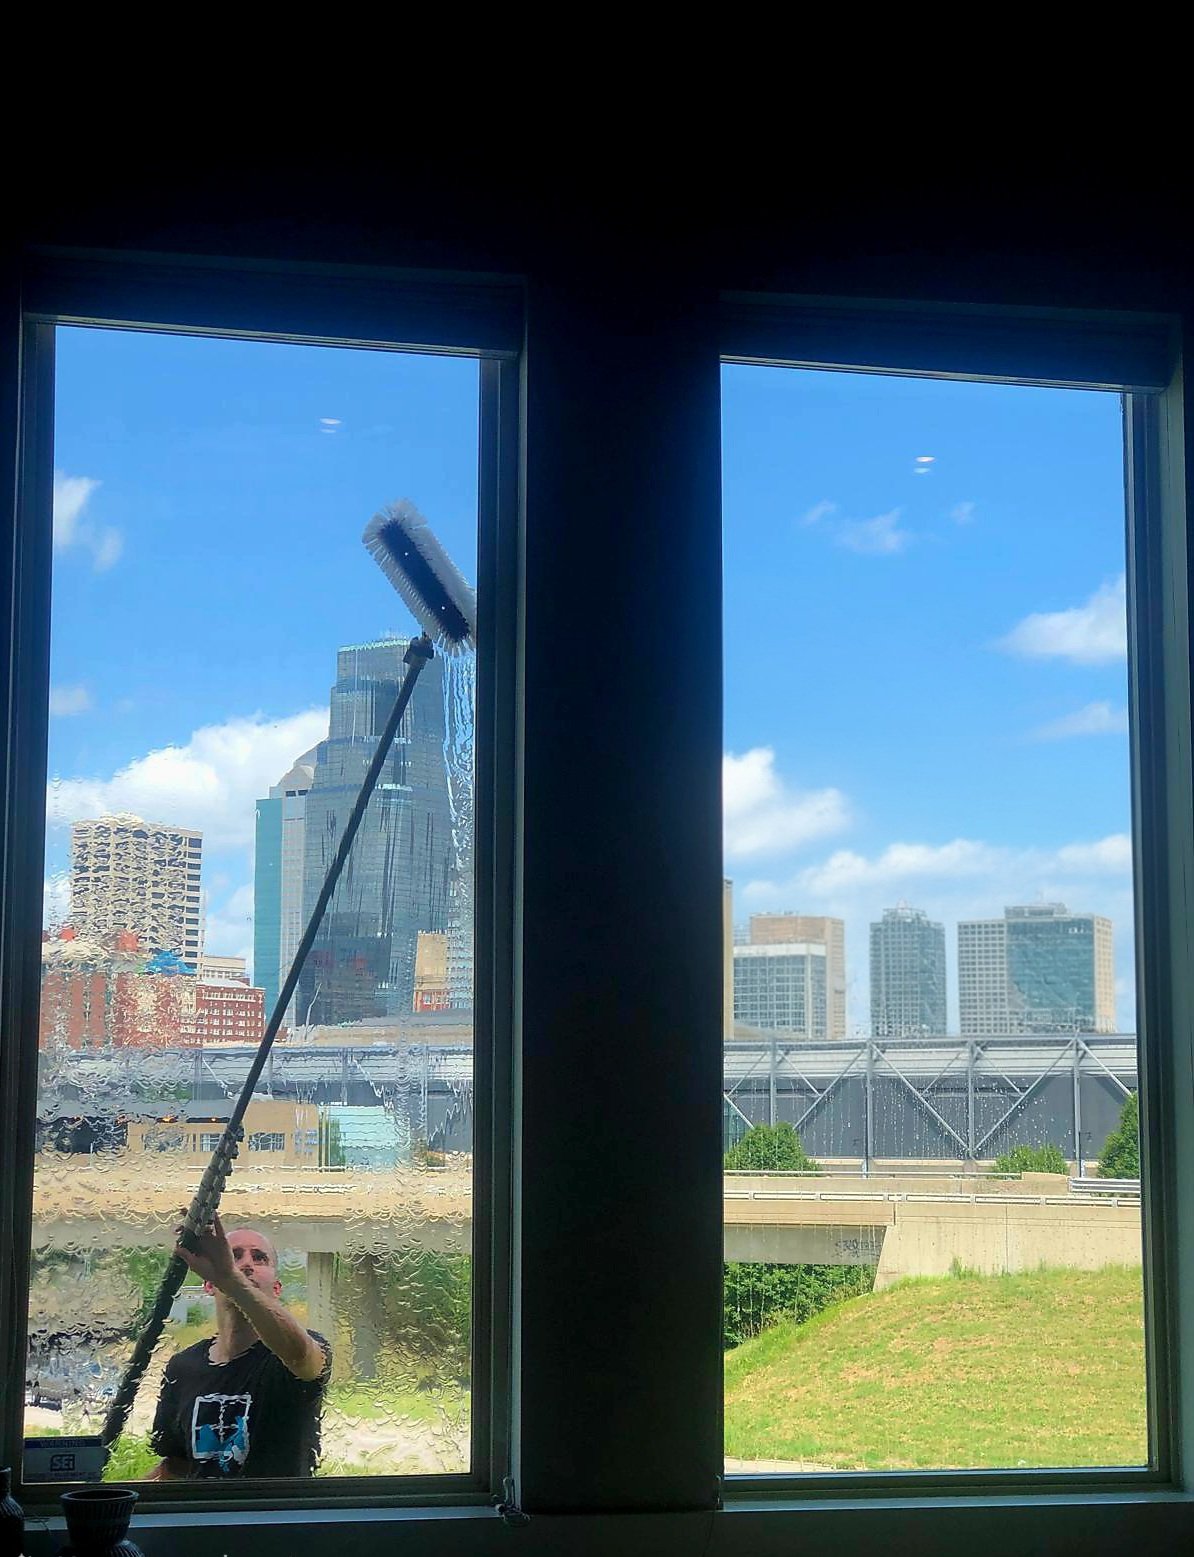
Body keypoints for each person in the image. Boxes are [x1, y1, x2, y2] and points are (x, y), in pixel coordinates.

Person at [147, 1214, 330, 1478]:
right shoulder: (182, 1367)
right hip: (205, 1519)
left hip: (278, 1517)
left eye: (259, 1258)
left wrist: (230, 1278)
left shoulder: (301, 1350)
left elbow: (302, 1358)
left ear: (277, 1288)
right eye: (234, 1256)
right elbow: (176, 1466)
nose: (246, 1265)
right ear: (209, 1284)